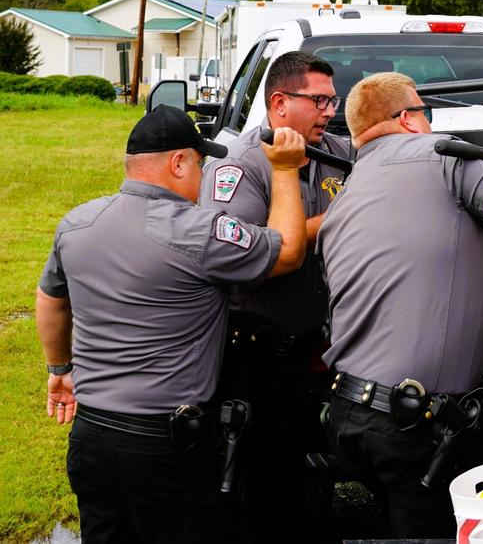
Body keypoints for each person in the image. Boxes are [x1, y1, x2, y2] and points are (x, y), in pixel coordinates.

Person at [35, 105, 307, 544]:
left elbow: (50, 299)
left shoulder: (78, 223)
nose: (202, 177)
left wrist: (59, 369)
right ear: (178, 162)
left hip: (93, 436)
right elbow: (289, 251)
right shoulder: (201, 232)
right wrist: (286, 168)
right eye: (200, 165)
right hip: (166, 445)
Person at [318, 72, 483, 538]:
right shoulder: (442, 154)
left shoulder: (344, 196)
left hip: (348, 412)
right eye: (425, 111)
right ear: (408, 119)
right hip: (414, 425)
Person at [200, 50, 352, 540]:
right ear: (280, 103)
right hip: (251, 351)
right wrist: (333, 223)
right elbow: (237, 256)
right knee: (246, 484)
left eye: (334, 100)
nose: (331, 110)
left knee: (299, 480)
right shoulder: (242, 165)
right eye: (320, 100)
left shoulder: (339, 152)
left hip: (314, 346)